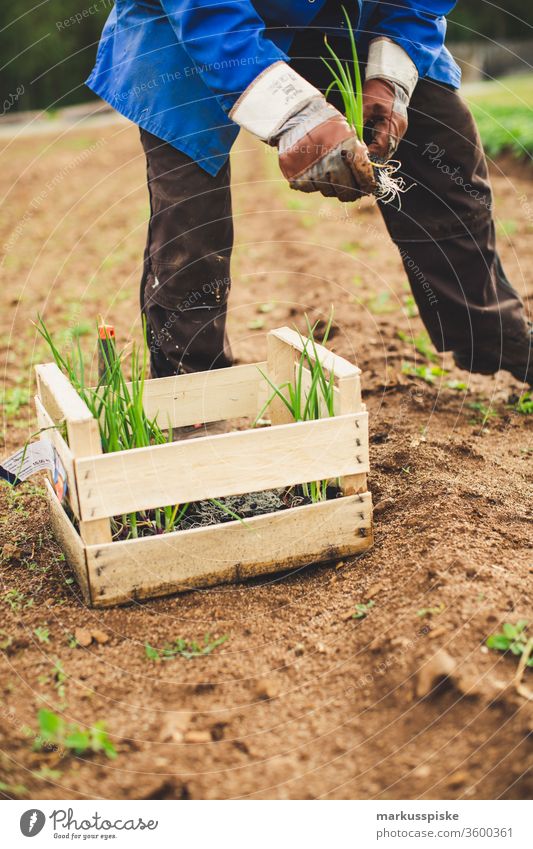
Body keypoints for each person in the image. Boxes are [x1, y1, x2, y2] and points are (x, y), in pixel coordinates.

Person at [86, 1, 532, 385]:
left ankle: (496, 337)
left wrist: (392, 72)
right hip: (193, 22)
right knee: (191, 216)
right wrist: (292, 114)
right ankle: (193, 392)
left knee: (443, 153)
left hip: (351, 17)